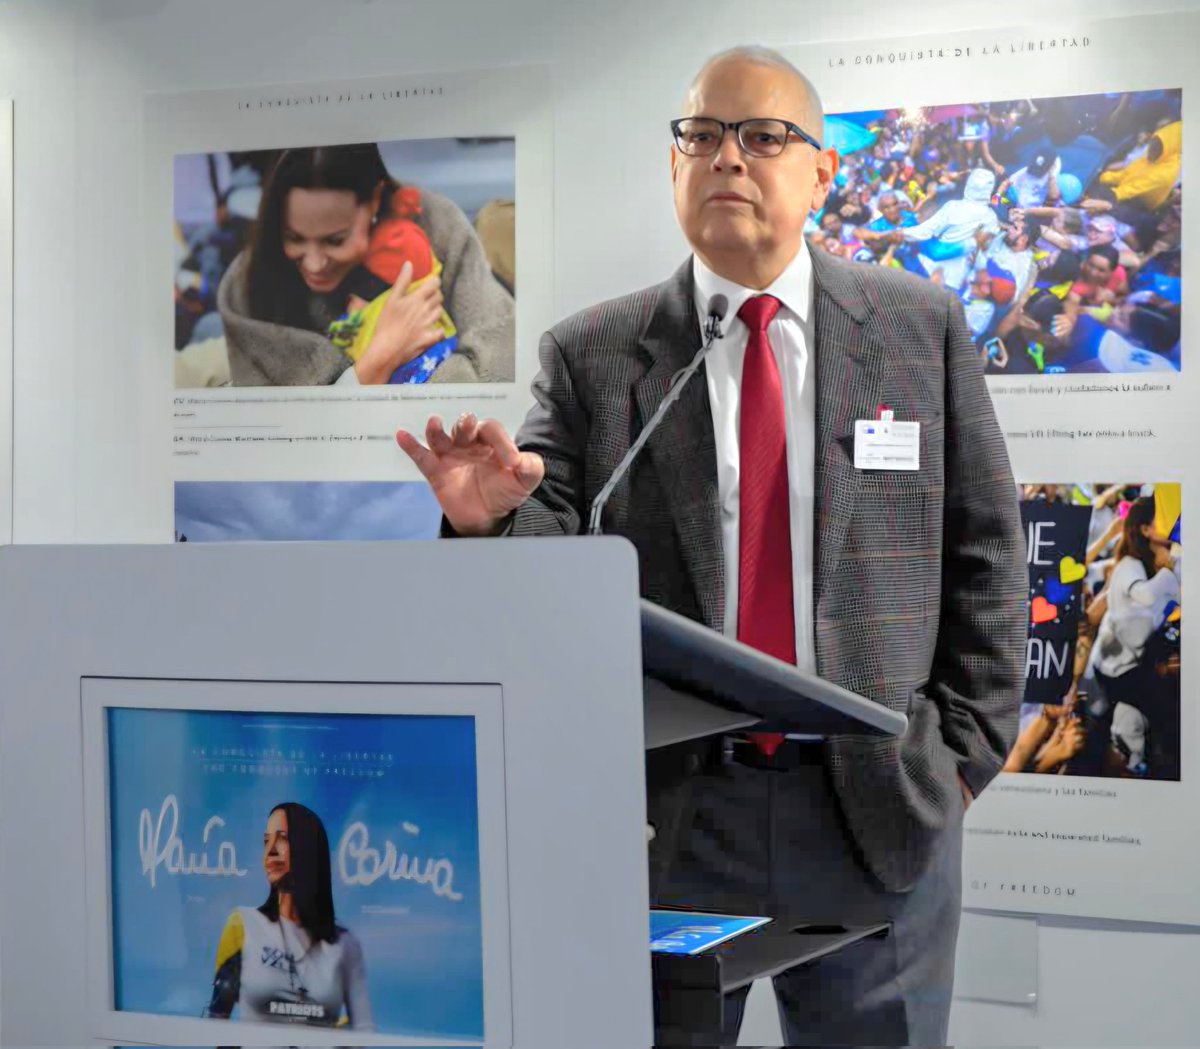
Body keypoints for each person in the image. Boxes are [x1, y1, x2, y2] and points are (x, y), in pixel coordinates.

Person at [397, 45, 1025, 1046]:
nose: (727, 157)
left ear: (824, 171)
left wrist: (955, 758)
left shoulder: (921, 329)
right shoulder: (597, 353)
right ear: (674, 164)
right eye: (701, 135)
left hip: (877, 801)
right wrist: (489, 519)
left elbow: (989, 554)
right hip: (673, 814)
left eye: (763, 135)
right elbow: (553, 554)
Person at [218, 142, 514, 386]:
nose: (314, 263)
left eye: (335, 240)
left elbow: (503, 357)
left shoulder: (437, 228)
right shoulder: (248, 285)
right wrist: (378, 361)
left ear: (374, 201)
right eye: (294, 238)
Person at [206, 802, 373, 1029]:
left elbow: (365, 1031)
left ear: (307, 848)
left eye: (282, 838)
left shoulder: (346, 944)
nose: (271, 851)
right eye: (266, 841)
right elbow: (216, 1021)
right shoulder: (242, 926)